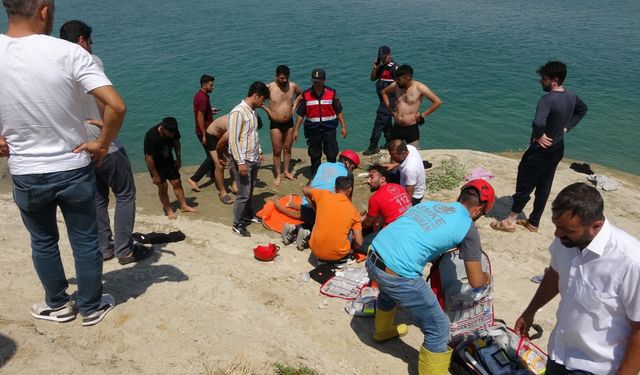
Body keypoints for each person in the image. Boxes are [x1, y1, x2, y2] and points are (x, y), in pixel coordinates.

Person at [0, 0, 126, 326]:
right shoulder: (69, 53)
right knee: (84, 240)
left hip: (26, 170)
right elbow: (116, 106)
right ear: (43, 10)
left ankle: (57, 304)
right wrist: (102, 143)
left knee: (42, 241)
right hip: (72, 166)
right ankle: (91, 306)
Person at [366, 179, 495, 374]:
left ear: (460, 197)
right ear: (478, 210)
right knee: (439, 328)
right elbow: (476, 281)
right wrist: (488, 277)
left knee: (388, 291)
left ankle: (382, 332)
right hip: (397, 275)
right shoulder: (468, 228)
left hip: (373, 256)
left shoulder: (431, 204)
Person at [514, 183, 640, 375]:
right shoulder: (565, 240)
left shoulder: (631, 261)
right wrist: (530, 311)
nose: (557, 234)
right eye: (556, 226)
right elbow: (555, 273)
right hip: (559, 354)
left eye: (566, 230)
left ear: (596, 226)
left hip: (597, 367)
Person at [59, 20, 151, 265]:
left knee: (99, 196)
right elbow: (106, 99)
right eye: (90, 41)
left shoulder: (56, 65)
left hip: (79, 144)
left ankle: (105, 247)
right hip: (102, 143)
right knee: (126, 193)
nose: (91, 46)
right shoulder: (88, 60)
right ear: (82, 41)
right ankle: (124, 250)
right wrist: (105, 125)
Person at [491, 61, 588, 233]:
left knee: (525, 183)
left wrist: (538, 136)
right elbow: (582, 109)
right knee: (544, 184)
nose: (540, 82)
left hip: (540, 150)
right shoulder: (571, 96)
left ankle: (510, 220)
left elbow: (538, 122)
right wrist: (567, 127)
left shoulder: (547, 100)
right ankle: (533, 222)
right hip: (557, 147)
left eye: (543, 79)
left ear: (554, 80)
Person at [276, 150, 360, 250]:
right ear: (347, 162)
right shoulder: (348, 174)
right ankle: (306, 233)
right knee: (333, 226)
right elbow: (347, 200)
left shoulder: (323, 165)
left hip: (306, 204)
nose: (352, 171)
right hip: (320, 210)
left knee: (314, 218)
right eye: (352, 168)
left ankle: (295, 228)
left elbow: (309, 184)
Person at [228, 81, 270, 237]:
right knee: (243, 193)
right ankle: (237, 224)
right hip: (243, 160)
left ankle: (247, 214)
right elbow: (233, 140)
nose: (262, 103)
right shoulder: (238, 112)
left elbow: (252, 134)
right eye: (262, 99)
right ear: (256, 96)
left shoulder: (252, 112)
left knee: (250, 190)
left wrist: (259, 151)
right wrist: (240, 162)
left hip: (253, 158)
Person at [293, 68, 348, 176]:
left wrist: (343, 127)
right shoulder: (306, 94)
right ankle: (316, 175)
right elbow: (301, 114)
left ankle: (331, 174)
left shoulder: (332, 93)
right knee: (314, 154)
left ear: (324, 81)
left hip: (329, 129)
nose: (316, 84)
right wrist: (296, 130)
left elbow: (339, 111)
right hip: (313, 130)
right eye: (314, 81)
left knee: (331, 153)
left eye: (318, 81)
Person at [143, 117, 198, 219]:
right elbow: (148, 157)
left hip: (168, 160)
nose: (172, 135)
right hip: (156, 164)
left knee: (177, 182)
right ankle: (168, 210)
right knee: (163, 187)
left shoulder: (173, 129)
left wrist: (178, 158)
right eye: (170, 133)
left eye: (174, 133)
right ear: (163, 128)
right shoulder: (151, 136)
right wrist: (155, 175)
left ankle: (183, 206)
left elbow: (176, 142)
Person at [302, 176, 363, 262]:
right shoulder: (354, 211)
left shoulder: (323, 195)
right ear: (350, 189)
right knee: (349, 229)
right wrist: (352, 247)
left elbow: (304, 189)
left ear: (335, 188)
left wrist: (315, 208)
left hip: (315, 250)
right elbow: (359, 242)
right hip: (337, 255)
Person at [381, 64, 442, 148]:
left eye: (399, 79)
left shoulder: (419, 88)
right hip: (397, 126)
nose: (396, 81)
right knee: (394, 156)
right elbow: (384, 92)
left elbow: (437, 102)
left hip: (411, 128)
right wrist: (389, 109)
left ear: (408, 79)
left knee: (412, 155)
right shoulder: (396, 86)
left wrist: (422, 115)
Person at [264, 65, 302, 187]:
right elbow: (256, 98)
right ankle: (278, 174)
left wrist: (295, 105)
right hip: (275, 123)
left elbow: (301, 95)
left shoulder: (292, 86)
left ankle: (286, 171)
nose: (284, 80)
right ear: (276, 76)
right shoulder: (269, 87)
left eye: (286, 78)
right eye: (281, 78)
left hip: (289, 123)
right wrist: (266, 110)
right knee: (277, 150)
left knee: (287, 148)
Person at [358, 164, 412, 251]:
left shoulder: (375, 198)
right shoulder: (399, 187)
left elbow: (368, 223)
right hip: (410, 227)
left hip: (395, 233)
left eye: (371, 177)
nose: (369, 181)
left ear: (382, 179)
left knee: (359, 243)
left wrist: (358, 225)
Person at [363, 45, 398, 156]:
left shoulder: (395, 68)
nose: (382, 59)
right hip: (382, 99)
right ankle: (390, 141)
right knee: (386, 121)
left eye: (384, 57)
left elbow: (401, 83)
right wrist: (375, 67)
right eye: (381, 57)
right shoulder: (381, 67)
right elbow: (372, 78)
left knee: (379, 122)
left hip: (389, 100)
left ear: (389, 55)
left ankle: (373, 146)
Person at [188, 74, 219, 192]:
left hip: (203, 130)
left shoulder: (198, 95)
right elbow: (199, 116)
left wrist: (210, 112)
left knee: (210, 154)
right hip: (205, 131)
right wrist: (204, 134)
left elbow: (196, 111)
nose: (213, 87)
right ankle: (194, 179)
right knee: (212, 156)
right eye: (211, 85)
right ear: (205, 85)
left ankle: (213, 175)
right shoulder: (203, 98)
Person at [205, 115, 237, 205]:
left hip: (224, 135)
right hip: (213, 136)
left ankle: (234, 184)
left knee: (232, 160)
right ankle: (222, 192)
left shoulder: (244, 122)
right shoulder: (233, 126)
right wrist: (220, 156)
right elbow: (220, 144)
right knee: (219, 165)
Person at [385, 139, 426, 205]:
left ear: (403, 153)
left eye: (393, 156)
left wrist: (406, 204)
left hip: (414, 196)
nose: (391, 157)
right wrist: (394, 165)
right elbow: (404, 160)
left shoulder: (410, 169)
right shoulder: (410, 148)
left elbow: (410, 188)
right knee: (386, 174)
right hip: (405, 178)